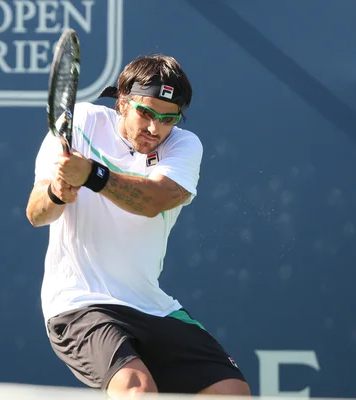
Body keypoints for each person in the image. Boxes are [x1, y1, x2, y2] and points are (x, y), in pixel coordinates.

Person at [25, 54, 250, 398]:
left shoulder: (185, 145)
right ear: (122, 102)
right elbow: (36, 213)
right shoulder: (81, 121)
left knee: (230, 390)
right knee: (136, 389)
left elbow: (154, 200)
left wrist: (91, 175)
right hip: (80, 301)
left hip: (150, 303)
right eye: (146, 113)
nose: (155, 129)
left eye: (168, 119)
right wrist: (56, 193)